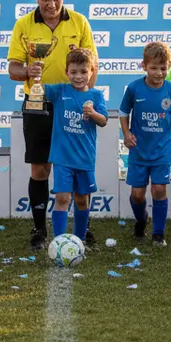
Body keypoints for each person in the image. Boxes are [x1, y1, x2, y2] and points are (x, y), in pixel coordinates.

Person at [7, 0, 97, 250]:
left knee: (78, 168)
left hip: (72, 104)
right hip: (37, 103)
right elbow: (12, 68)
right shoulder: (24, 24)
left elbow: (92, 65)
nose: (51, 4)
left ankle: (84, 229)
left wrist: (84, 94)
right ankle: (38, 229)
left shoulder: (80, 22)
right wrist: (26, 71)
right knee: (40, 168)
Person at [119, 41, 171, 247]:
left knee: (159, 189)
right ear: (144, 66)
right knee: (137, 194)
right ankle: (141, 220)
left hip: (162, 150)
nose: (159, 73)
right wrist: (127, 132)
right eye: (154, 68)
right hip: (139, 150)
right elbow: (123, 113)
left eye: (163, 68)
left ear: (169, 67)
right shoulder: (134, 88)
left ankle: (159, 233)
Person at [45, 47, 108, 244]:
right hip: (62, 158)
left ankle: (79, 241)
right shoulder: (60, 91)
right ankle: (59, 242)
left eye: (83, 72)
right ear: (66, 72)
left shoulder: (96, 96)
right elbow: (35, 88)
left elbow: (103, 121)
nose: (78, 77)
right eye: (73, 72)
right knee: (62, 198)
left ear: (92, 72)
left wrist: (93, 114)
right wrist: (34, 74)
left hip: (85, 158)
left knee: (82, 200)